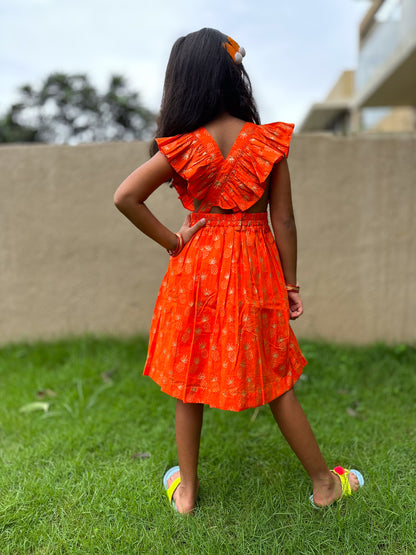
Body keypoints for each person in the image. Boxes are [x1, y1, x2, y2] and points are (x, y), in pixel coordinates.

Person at [114, 28, 364, 514]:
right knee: (276, 379)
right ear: (234, 76)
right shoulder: (266, 142)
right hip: (255, 268)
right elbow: (284, 220)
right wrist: (290, 284)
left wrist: (173, 240)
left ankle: (185, 493)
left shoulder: (182, 147)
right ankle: (324, 483)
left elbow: (125, 197)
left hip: (197, 268)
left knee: (188, 382)